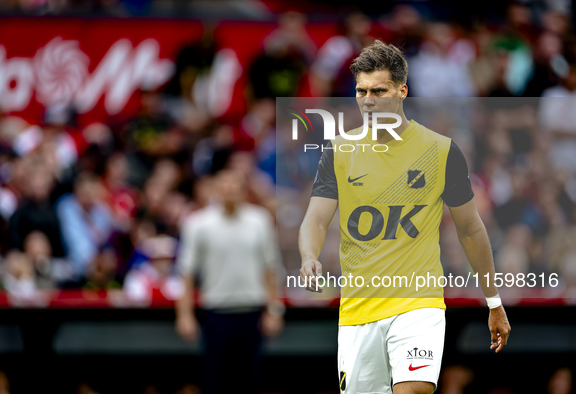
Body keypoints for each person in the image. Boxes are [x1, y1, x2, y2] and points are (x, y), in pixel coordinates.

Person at [298, 40, 511, 394]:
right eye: (361, 91)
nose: (368, 100)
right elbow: (316, 219)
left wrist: (493, 302)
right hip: (358, 311)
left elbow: (470, 228)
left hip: (419, 303)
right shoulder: (338, 151)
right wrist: (308, 257)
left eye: (378, 90)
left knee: (413, 390)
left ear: (402, 91)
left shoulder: (440, 151)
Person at [175, 169, 283, 394]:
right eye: (224, 186)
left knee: (251, 380)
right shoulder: (198, 224)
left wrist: (274, 310)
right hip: (216, 314)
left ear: (243, 191)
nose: (230, 191)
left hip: (252, 312)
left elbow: (270, 269)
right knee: (215, 381)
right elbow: (186, 273)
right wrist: (184, 315)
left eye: (235, 186)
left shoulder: (260, 221)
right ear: (216, 190)